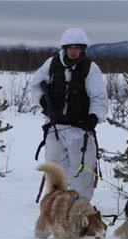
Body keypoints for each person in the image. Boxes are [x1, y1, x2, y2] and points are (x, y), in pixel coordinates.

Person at [30, 28, 109, 201]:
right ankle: (54, 204)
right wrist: (43, 101)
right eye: (70, 47)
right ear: (65, 48)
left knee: (82, 169)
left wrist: (94, 117)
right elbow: (34, 85)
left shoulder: (90, 68)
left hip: (80, 129)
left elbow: (98, 96)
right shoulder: (51, 64)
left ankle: (80, 207)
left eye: (77, 47)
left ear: (82, 48)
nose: (73, 50)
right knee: (54, 168)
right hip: (55, 127)